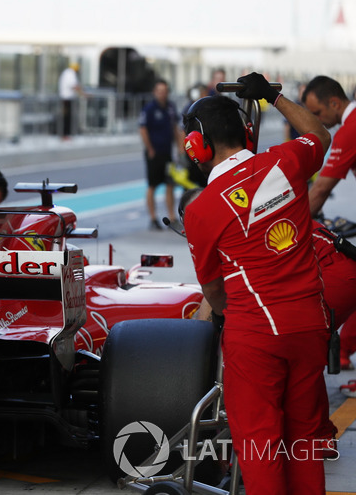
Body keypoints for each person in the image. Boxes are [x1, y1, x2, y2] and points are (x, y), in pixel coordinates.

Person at [182, 73, 332, 494]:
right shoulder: (285, 162)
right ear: (247, 132)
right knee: (303, 441)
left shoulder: (201, 211)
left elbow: (213, 291)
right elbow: (319, 133)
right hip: (309, 326)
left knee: (261, 446)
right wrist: (273, 96)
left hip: (256, 336)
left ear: (197, 146)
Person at [301, 76, 356, 218]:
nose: (317, 120)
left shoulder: (349, 130)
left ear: (334, 103)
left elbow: (321, 189)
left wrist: (293, 223)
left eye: (317, 113)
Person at [139, 79, 182, 229]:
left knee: (170, 184)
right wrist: (150, 148)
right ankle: (153, 218)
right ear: (154, 92)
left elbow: (176, 129)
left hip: (167, 152)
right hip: (154, 153)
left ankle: (171, 217)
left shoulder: (170, 107)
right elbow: (143, 129)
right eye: (159, 91)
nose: (162, 94)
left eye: (164, 91)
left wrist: (180, 149)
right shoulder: (149, 109)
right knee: (152, 185)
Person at [58, 62, 86, 139]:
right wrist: (83, 93)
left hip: (66, 98)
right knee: (66, 118)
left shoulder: (67, 73)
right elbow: (74, 86)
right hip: (66, 99)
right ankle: (65, 135)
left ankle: (66, 134)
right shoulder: (70, 73)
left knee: (67, 117)